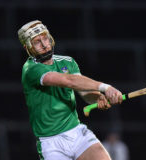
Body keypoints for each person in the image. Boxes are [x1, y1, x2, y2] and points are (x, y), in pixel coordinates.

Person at [18, 20, 123, 160]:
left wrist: (97, 97)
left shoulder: (67, 62)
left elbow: (84, 92)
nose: (44, 45)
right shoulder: (30, 70)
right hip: (50, 143)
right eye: (37, 42)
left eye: (45, 38)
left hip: (76, 133)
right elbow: (70, 81)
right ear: (28, 48)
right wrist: (105, 87)